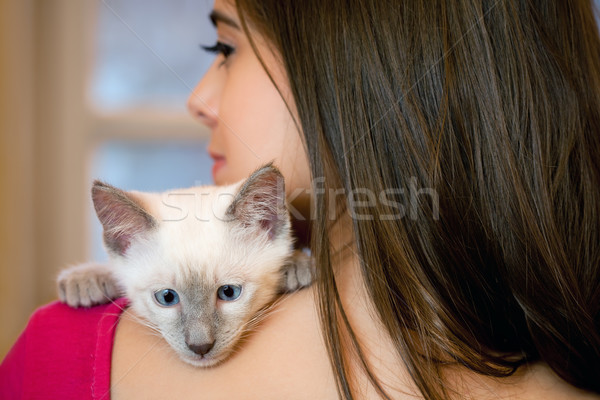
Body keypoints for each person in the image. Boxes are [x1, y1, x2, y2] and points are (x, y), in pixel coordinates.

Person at [2, 0, 600, 398]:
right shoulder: (576, 362)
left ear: (358, 72)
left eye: (224, 51)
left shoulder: (69, 354)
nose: (197, 99)